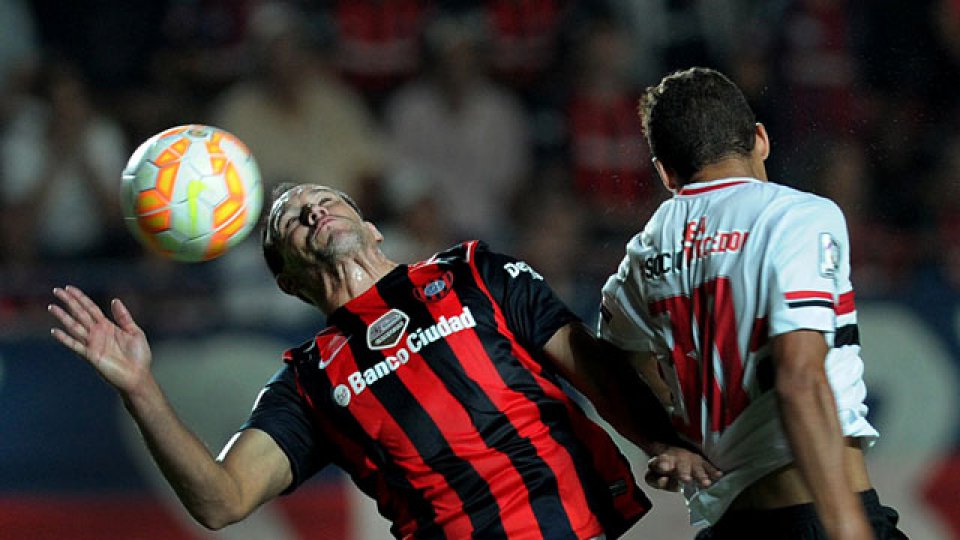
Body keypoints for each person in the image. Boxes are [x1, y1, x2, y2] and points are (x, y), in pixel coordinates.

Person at [48, 182, 720, 539]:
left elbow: (591, 367)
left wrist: (659, 438)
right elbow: (222, 502)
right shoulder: (309, 380)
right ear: (286, 280)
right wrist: (140, 387)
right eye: (291, 220)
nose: (312, 212)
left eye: (323, 200)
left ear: (369, 226)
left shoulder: (474, 272)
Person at [598, 67, 907, 539]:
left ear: (665, 171)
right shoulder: (797, 217)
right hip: (817, 518)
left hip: (730, 526)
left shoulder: (647, 250)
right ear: (760, 139)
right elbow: (799, 378)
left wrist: (658, 438)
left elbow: (605, 357)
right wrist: (847, 527)